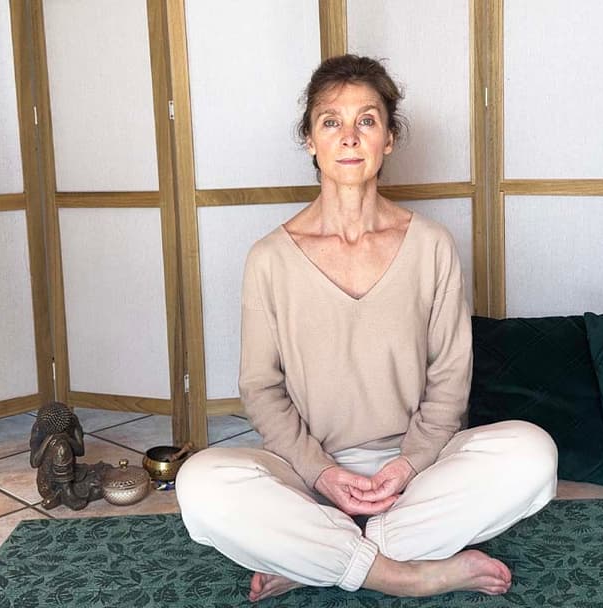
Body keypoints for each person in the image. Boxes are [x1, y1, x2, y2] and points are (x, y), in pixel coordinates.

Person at [176, 54, 557, 602]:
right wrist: (321, 473)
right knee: (200, 482)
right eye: (331, 121)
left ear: (389, 139)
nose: (349, 136)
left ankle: (316, 556)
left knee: (533, 453)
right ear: (310, 139)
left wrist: (407, 465)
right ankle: (406, 572)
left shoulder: (432, 246)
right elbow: (261, 388)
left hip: (418, 470)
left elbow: (450, 379)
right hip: (306, 475)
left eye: (367, 120)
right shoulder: (269, 258)